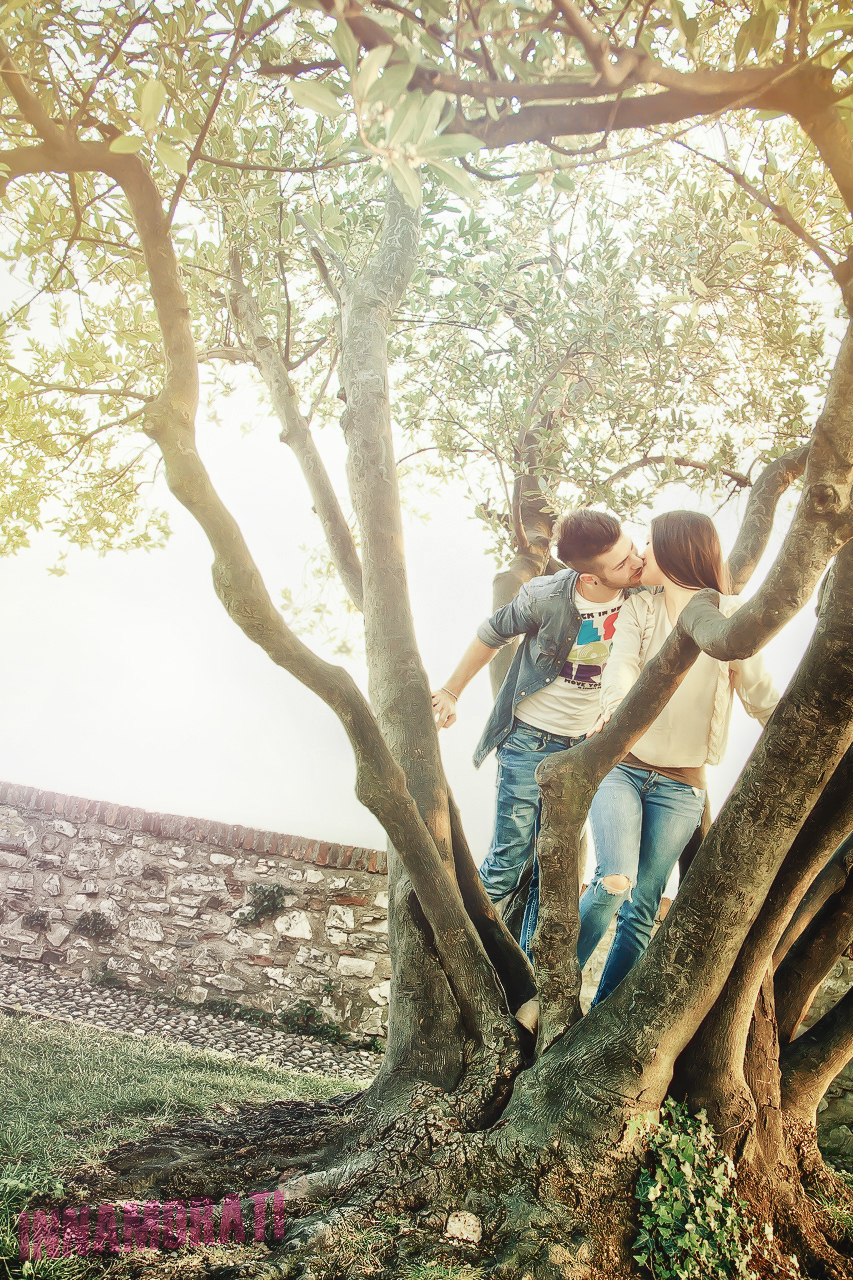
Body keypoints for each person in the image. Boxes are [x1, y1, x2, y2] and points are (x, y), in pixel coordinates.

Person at [432, 509, 645, 1025]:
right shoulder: (546, 596)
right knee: (509, 859)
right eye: (623, 561)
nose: (637, 562)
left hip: (588, 751)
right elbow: (491, 633)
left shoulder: (644, 593)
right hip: (529, 739)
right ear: (591, 576)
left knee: (555, 871)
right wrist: (450, 691)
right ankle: (457, 968)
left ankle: (522, 985)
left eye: (633, 548)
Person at [579, 509, 780, 1006]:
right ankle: (546, 990)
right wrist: (614, 711)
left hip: (683, 786)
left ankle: (602, 1016)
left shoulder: (731, 618)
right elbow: (620, 667)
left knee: (643, 906)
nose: (641, 554)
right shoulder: (639, 608)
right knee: (613, 882)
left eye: (649, 544)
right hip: (624, 769)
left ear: (673, 553)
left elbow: (762, 695)